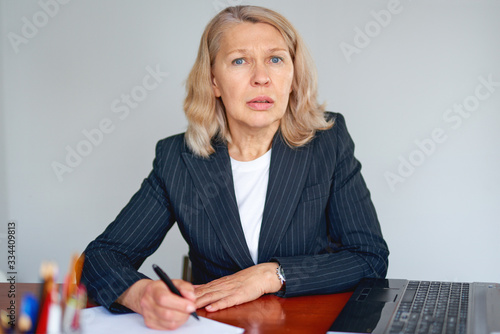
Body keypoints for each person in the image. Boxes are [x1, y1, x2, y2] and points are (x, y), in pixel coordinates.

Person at [81, 5, 389, 330]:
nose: (261, 77)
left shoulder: (328, 141)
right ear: (214, 82)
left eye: (275, 59)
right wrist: (140, 294)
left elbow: (369, 256)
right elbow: (102, 257)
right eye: (239, 61)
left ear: (293, 75)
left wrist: (273, 274)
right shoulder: (178, 159)